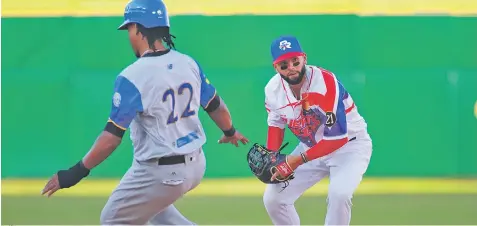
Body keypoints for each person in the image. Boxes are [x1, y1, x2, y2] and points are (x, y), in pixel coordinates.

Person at [40, 0, 249, 224]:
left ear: (140, 29)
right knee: (156, 213)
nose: (129, 35)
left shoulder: (133, 76)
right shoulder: (187, 63)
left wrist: (77, 171)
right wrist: (230, 131)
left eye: (129, 28)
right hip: (196, 164)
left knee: (112, 219)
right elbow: (216, 106)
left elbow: (111, 139)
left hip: (160, 172)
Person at [262, 35, 373, 225]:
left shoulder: (325, 82)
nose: (291, 68)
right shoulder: (273, 90)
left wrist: (295, 161)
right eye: (284, 65)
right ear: (275, 67)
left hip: (349, 145)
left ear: (304, 58)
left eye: (295, 61)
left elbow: (337, 138)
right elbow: (276, 124)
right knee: (274, 199)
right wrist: (272, 156)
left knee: (340, 195)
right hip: (311, 146)